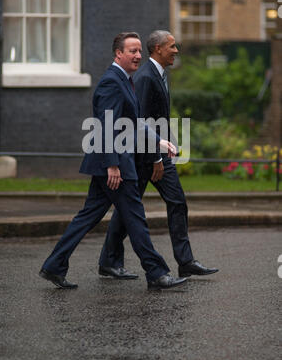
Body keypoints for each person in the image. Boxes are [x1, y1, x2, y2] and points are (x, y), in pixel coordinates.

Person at [39, 32, 187, 291]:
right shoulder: (112, 82)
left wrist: (159, 142)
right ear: (118, 53)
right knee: (135, 218)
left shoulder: (125, 80)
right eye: (132, 51)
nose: (138, 56)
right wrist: (112, 165)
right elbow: (107, 126)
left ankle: (54, 265)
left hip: (112, 162)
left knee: (87, 217)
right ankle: (157, 272)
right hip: (115, 164)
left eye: (140, 51)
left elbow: (136, 122)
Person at [99, 30, 218, 278]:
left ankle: (185, 261)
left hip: (157, 153)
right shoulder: (145, 77)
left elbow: (158, 119)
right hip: (145, 157)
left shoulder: (159, 74)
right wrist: (155, 156)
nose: (176, 51)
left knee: (175, 202)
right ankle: (110, 261)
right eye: (172, 46)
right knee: (128, 210)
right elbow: (139, 122)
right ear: (158, 49)